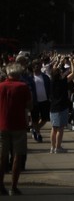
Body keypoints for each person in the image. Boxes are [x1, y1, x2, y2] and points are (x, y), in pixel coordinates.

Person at [0, 63, 32, 196]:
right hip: (18, 125)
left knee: (1, 157)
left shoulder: (1, 86)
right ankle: (13, 186)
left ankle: (0, 185)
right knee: (17, 157)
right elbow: (29, 105)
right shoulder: (23, 87)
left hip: (2, 125)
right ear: (19, 75)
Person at [48, 62, 72, 154]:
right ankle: (58, 147)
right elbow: (73, 73)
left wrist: (58, 62)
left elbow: (53, 70)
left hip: (53, 107)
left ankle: (52, 147)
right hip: (62, 106)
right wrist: (72, 62)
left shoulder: (51, 82)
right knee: (60, 128)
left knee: (54, 128)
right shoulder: (63, 82)